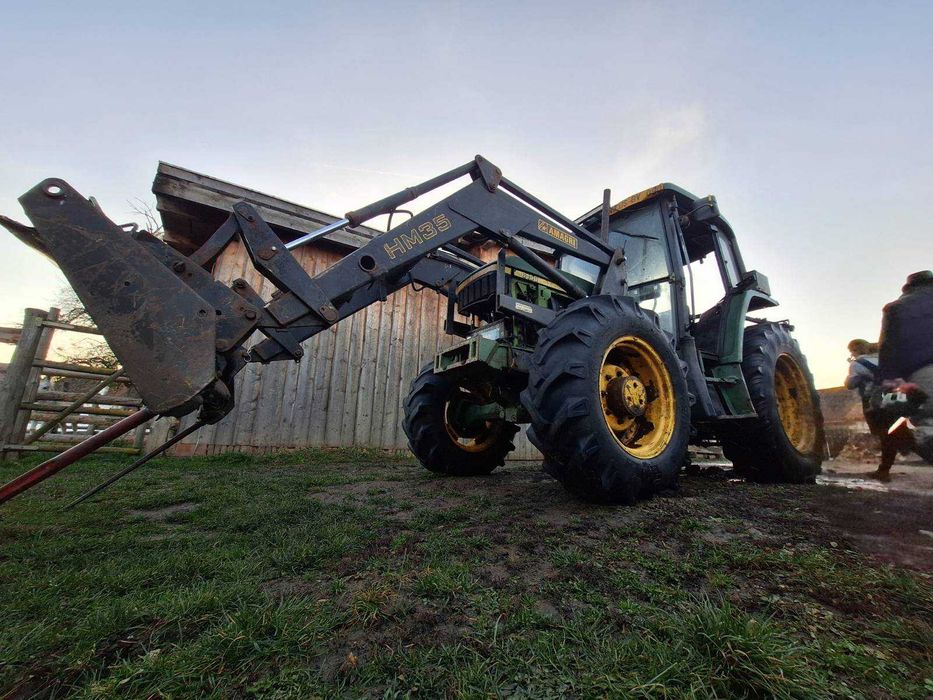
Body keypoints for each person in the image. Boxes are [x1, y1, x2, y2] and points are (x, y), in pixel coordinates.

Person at [876, 270, 933, 474]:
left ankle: (907, 435)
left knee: (928, 425)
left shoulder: (896, 308)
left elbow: (888, 347)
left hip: (922, 372)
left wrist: (889, 380)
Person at [845, 338, 903, 479]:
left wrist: (854, 372)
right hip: (896, 397)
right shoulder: (885, 358)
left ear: (854, 350)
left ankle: (884, 471)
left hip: (874, 401)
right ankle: (884, 469)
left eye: (851, 351)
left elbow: (850, 384)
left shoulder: (857, 363)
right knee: (896, 432)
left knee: (886, 435)